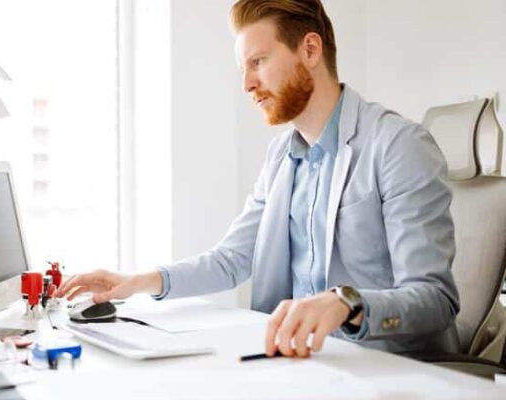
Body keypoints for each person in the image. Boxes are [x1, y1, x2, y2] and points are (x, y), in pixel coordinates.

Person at [55, 0, 459, 358]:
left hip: (383, 366)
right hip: (300, 363)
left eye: (258, 62)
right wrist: (138, 281)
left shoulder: (398, 145)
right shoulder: (282, 155)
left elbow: (435, 299)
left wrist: (346, 304)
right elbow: (232, 259)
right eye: (244, 68)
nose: (247, 84)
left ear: (311, 49)